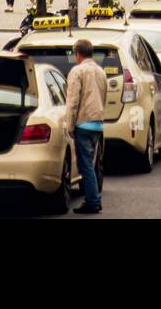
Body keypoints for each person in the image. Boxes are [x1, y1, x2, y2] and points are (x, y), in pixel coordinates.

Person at [64, 38, 107, 215]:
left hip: (83, 122)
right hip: (97, 123)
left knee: (85, 166)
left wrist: (70, 124)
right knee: (91, 163)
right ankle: (95, 196)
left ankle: (93, 201)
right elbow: (103, 95)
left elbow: (73, 100)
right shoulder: (100, 71)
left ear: (78, 54)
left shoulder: (78, 71)